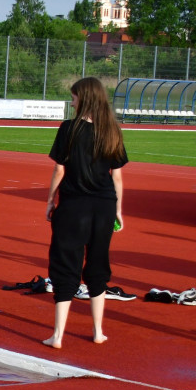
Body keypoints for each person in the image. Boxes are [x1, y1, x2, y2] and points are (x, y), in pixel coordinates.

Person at [42, 76, 127, 349]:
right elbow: (117, 177)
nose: (71, 101)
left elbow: (60, 169)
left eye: (74, 97)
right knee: (98, 264)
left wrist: (50, 199)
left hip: (73, 205)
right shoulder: (112, 130)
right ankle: (98, 331)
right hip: (103, 206)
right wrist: (118, 209)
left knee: (66, 264)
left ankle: (58, 335)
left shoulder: (69, 129)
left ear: (85, 98)